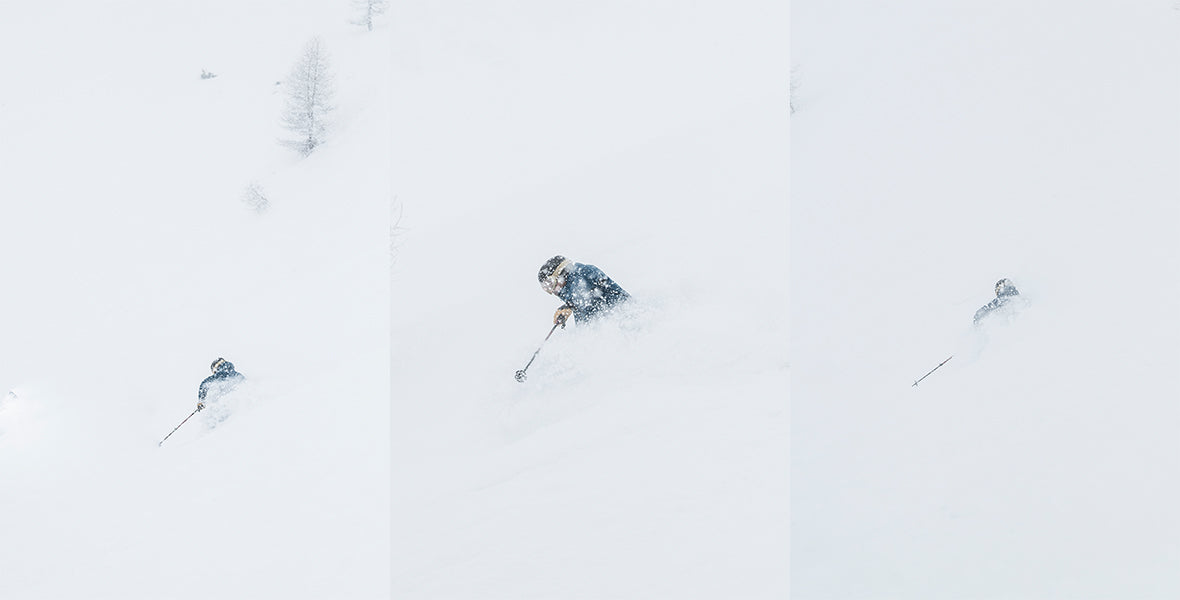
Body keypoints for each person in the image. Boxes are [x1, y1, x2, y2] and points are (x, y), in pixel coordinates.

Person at [538, 255, 630, 327]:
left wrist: (568, 306)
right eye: (546, 288)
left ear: (561, 273)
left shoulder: (582, 273)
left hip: (625, 318)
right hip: (611, 326)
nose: (552, 291)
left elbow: (584, 299)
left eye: (550, 284)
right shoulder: (570, 292)